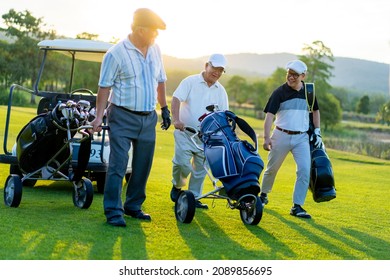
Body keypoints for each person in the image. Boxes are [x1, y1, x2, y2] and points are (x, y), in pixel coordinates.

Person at [90, 8, 171, 227]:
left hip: (148, 117)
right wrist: (98, 117)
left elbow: (161, 80)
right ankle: (113, 210)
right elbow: (104, 87)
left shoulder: (155, 50)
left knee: (143, 165)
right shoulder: (116, 53)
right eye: (153, 31)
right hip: (122, 116)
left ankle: (133, 205)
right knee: (118, 164)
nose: (156, 35)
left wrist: (164, 108)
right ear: (139, 29)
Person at [260, 59, 323, 219]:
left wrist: (317, 130)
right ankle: (263, 195)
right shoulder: (279, 92)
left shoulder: (309, 91)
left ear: (303, 75)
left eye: (295, 75)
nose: (291, 77)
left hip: (301, 137)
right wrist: (267, 137)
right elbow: (269, 116)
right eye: (289, 74)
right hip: (280, 135)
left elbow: (315, 111)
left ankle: (297, 206)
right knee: (272, 169)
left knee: (304, 170)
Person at [169, 54, 229, 209]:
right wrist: (176, 119)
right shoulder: (190, 82)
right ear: (206, 65)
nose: (216, 72)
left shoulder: (221, 91)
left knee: (201, 170)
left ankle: (194, 197)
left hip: (207, 138)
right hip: (185, 132)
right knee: (183, 164)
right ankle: (177, 186)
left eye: (220, 70)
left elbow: (224, 115)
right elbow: (176, 99)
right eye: (214, 68)